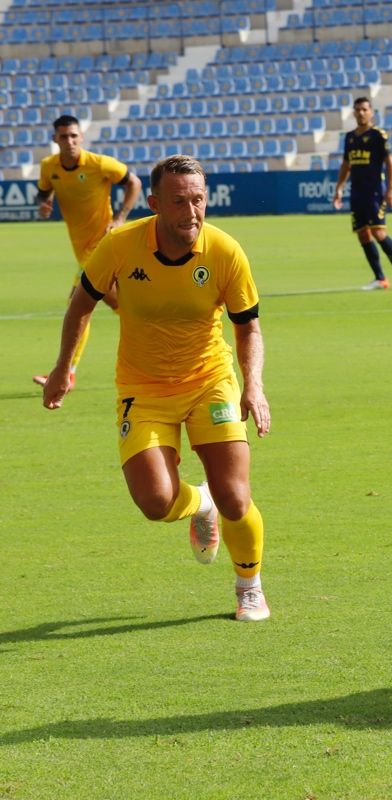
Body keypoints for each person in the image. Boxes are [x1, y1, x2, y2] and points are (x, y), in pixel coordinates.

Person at [41, 155, 272, 622]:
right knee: (155, 503)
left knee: (236, 497)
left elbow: (248, 327)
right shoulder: (121, 245)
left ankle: (249, 587)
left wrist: (255, 386)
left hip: (210, 380)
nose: (192, 212)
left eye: (199, 200)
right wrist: (64, 367)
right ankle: (199, 502)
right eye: (179, 201)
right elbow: (80, 305)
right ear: (154, 204)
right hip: (142, 389)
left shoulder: (226, 251)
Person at [33, 113, 143, 390]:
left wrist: (120, 217)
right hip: (81, 250)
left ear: (81, 137)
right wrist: (44, 204)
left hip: (102, 244)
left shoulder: (99, 164)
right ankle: (161, 338)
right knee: (118, 304)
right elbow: (44, 192)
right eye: (63, 137)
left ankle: (65, 373)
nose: (69, 141)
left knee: (78, 304)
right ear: (55, 139)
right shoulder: (49, 167)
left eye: (73, 136)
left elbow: (135, 182)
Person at [332, 96, 392, 291]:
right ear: (353, 112)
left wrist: (391, 188)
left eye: (365, 109)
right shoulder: (350, 137)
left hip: (375, 192)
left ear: (371, 112)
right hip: (357, 193)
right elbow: (346, 164)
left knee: (379, 232)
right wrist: (339, 187)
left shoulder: (378, 136)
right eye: (357, 109)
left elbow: (389, 162)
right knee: (363, 235)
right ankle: (380, 278)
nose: (361, 113)